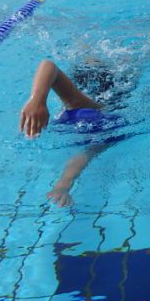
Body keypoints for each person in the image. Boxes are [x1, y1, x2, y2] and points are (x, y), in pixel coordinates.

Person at [20, 59, 124, 207]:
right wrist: (37, 99)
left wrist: (63, 186)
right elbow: (48, 65)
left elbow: (85, 155)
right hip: (111, 91)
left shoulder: (99, 123)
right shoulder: (85, 109)